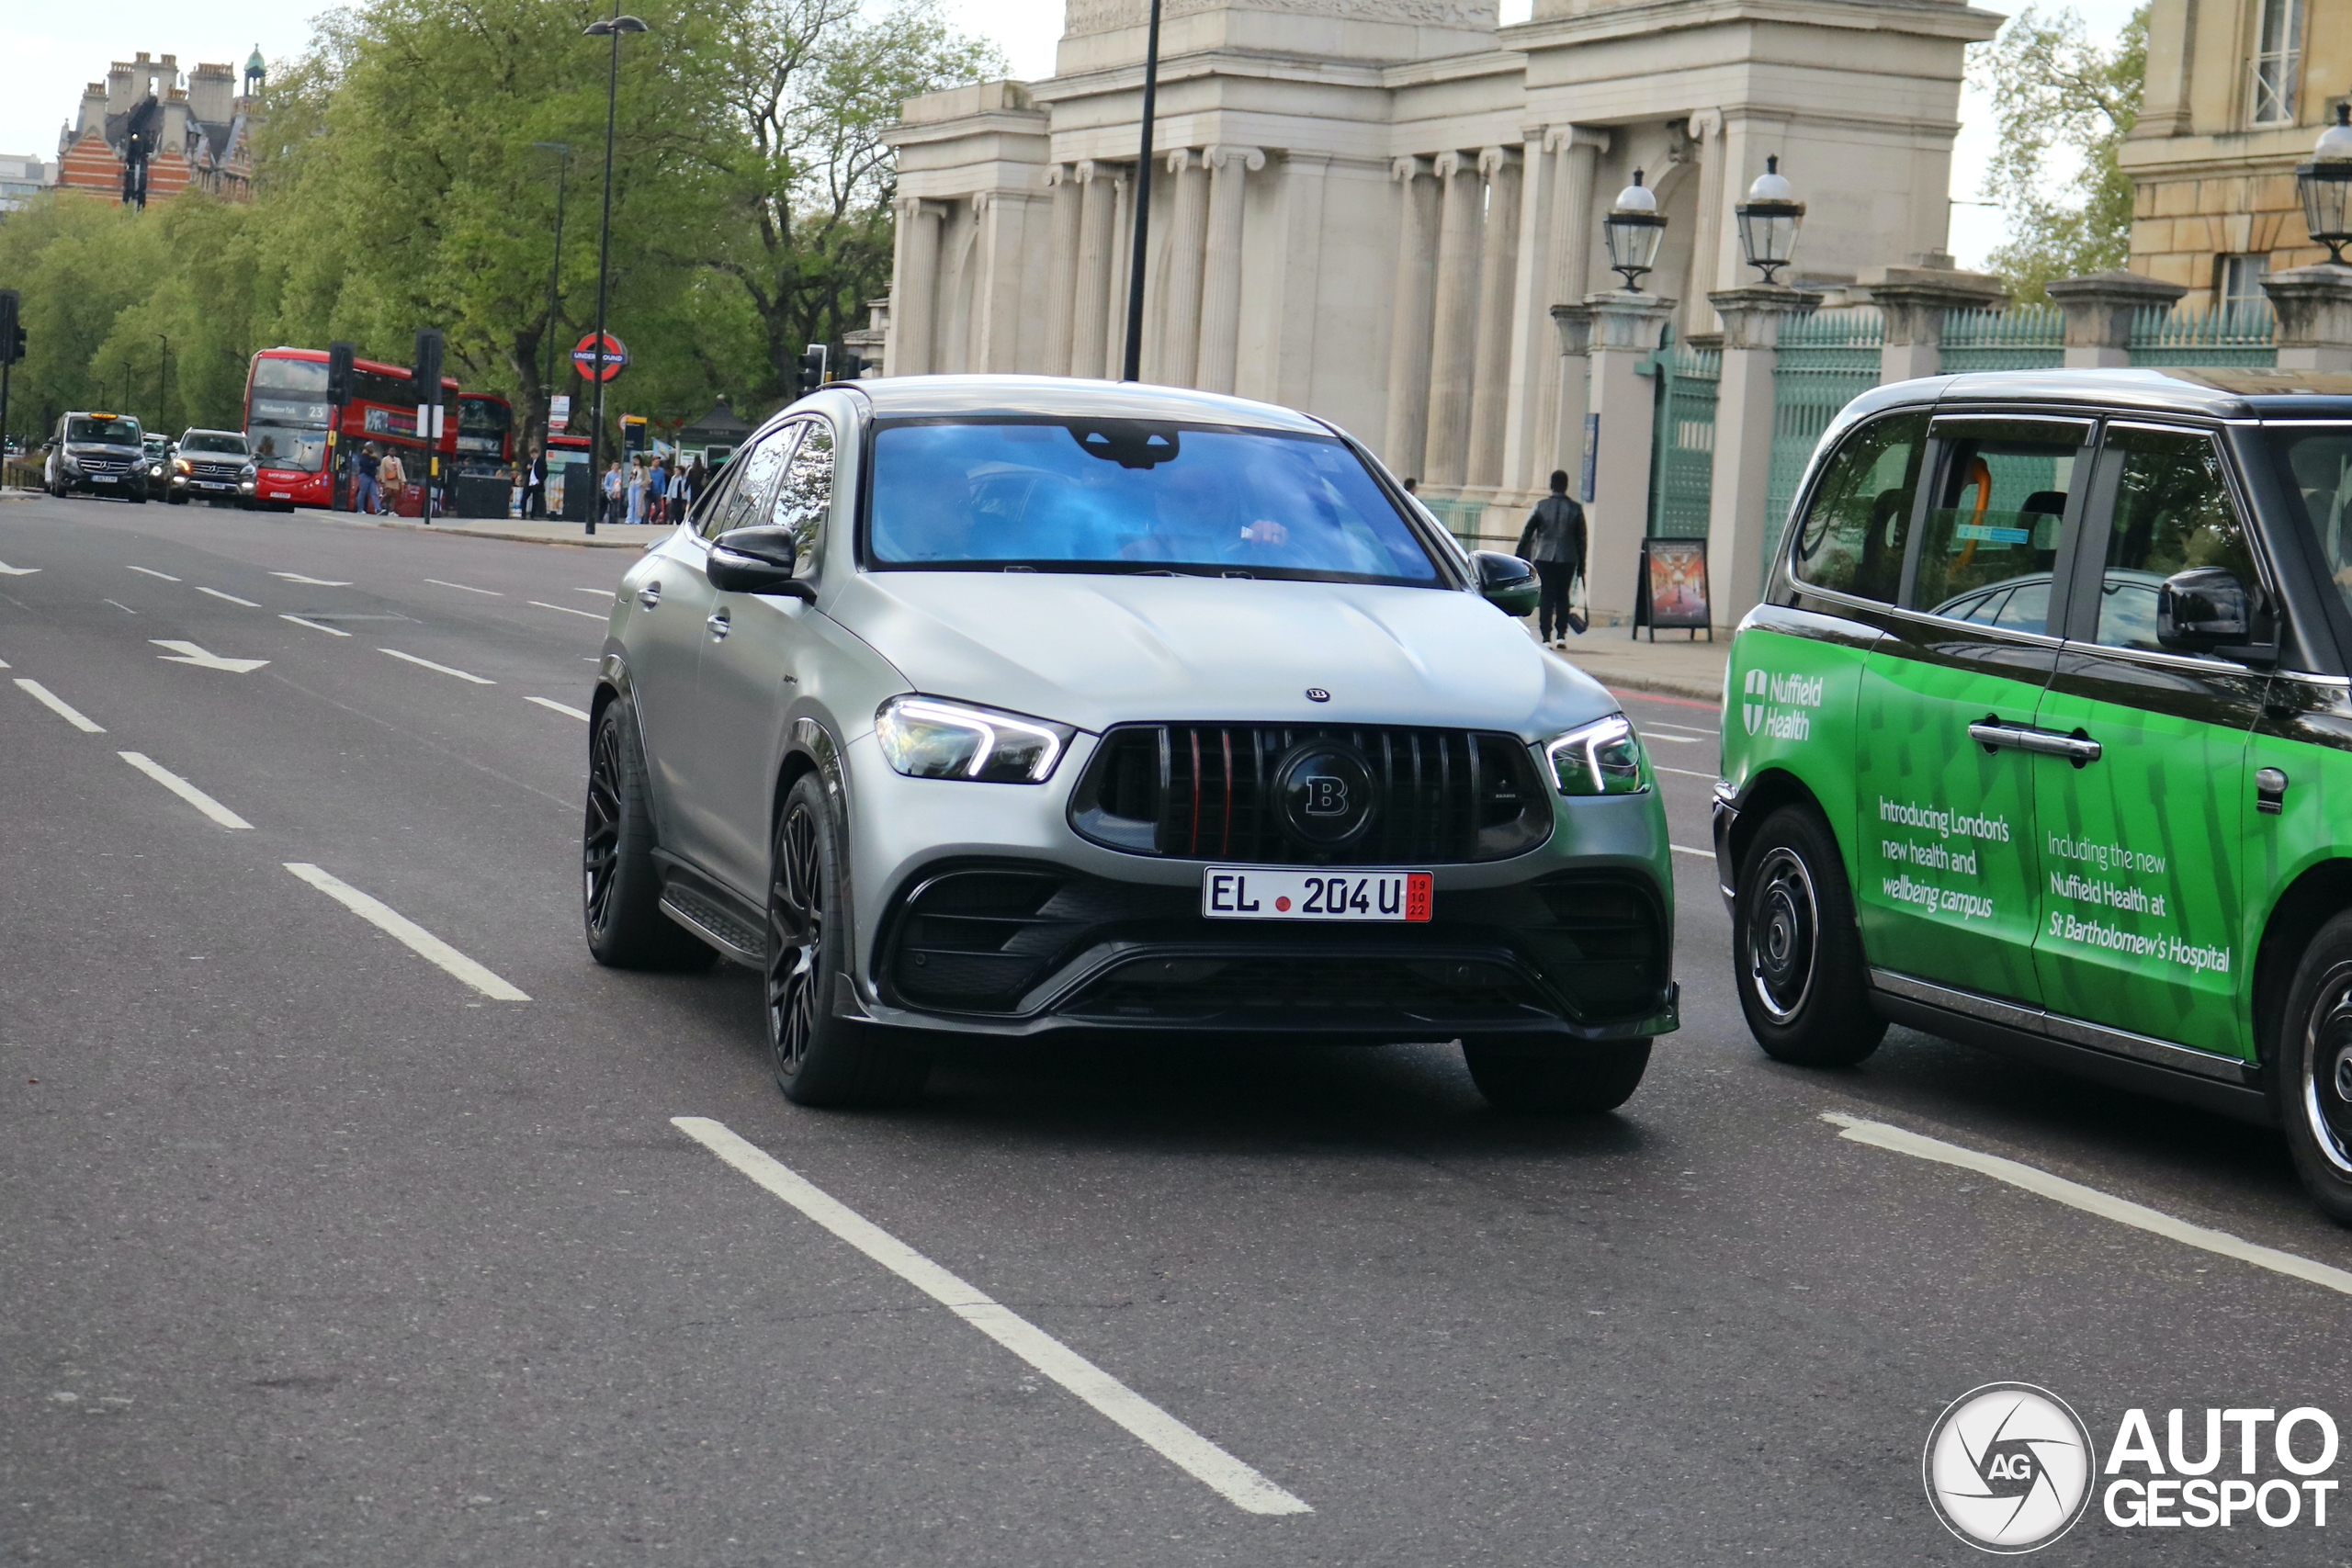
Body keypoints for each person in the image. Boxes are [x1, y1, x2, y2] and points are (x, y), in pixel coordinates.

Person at [1516, 468, 1587, 647]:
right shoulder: (1575, 508)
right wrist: (1582, 564)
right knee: (1563, 596)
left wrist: (1518, 555)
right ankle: (1561, 634)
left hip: (1544, 556)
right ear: (1566, 486)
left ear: (1551, 485)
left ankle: (1546, 637)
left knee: (1546, 597)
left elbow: (1527, 533)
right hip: (1568, 557)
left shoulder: (1541, 506)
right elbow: (1581, 539)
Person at [355, 443, 382, 515]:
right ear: (366, 448)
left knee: (374, 493)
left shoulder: (373, 456)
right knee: (362, 492)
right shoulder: (364, 456)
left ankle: (378, 509)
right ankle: (360, 509)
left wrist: (372, 462)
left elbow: (378, 462)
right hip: (364, 476)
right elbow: (366, 464)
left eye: (373, 447)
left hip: (372, 476)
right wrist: (373, 463)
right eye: (370, 447)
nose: (372, 448)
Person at [378, 446, 407, 515]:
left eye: (394, 451)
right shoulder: (385, 459)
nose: (392, 452)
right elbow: (382, 470)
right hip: (388, 479)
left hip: (396, 479)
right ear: (388, 452)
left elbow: (401, 469)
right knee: (388, 494)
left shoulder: (398, 460)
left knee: (394, 495)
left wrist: (403, 480)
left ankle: (391, 511)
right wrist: (382, 480)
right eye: (391, 451)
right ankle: (378, 506)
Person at [522, 442, 547, 519]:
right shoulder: (529, 461)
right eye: (532, 454)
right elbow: (524, 471)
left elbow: (545, 472)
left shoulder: (541, 461)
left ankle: (532, 515)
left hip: (536, 482)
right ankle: (523, 515)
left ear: (537, 454)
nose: (533, 456)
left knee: (535, 500)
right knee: (524, 499)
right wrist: (527, 468)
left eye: (534, 454)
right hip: (529, 482)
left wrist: (540, 480)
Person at [647, 455, 670, 527]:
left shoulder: (661, 471)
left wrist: (663, 492)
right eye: (656, 462)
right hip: (649, 491)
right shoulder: (648, 470)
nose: (658, 463)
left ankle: (653, 519)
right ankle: (644, 522)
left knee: (659, 508)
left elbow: (663, 482)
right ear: (652, 462)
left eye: (658, 462)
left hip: (657, 492)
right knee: (647, 508)